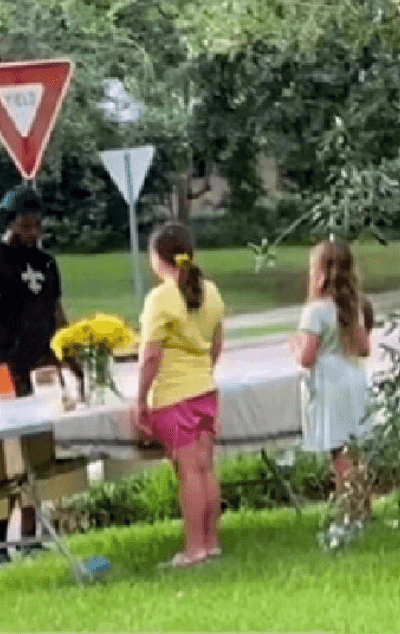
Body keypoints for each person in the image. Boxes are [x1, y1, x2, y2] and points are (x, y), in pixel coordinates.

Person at [0, 185, 78, 566]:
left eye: (37, 226)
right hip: (4, 370)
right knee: (8, 460)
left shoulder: (47, 264)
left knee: (38, 456)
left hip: (43, 368)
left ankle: (30, 538)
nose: (32, 233)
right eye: (26, 226)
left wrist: (72, 361)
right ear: (10, 223)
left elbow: (57, 316)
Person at [132, 222, 226, 567]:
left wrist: (140, 399)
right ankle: (211, 542)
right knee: (205, 468)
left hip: (173, 396)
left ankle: (194, 548)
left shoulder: (160, 299)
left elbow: (151, 356)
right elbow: (216, 343)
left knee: (188, 473)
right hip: (205, 392)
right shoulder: (210, 291)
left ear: (158, 258)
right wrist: (204, 371)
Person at [289, 240, 373, 524]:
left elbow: (307, 356)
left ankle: (349, 508)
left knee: (338, 449)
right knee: (355, 448)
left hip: (330, 383)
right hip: (353, 377)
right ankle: (362, 504)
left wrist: (295, 346)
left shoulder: (316, 311)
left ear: (320, 273)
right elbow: (364, 348)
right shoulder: (352, 308)